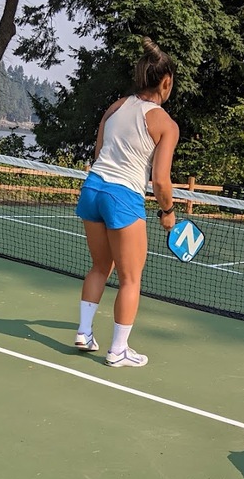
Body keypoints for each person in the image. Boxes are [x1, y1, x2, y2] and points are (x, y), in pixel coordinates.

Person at [73, 38, 180, 367]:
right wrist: (168, 211)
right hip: (123, 197)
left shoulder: (116, 107)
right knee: (131, 279)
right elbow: (160, 180)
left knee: (100, 267)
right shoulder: (166, 124)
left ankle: (84, 332)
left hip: (93, 190)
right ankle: (118, 350)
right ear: (165, 82)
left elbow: (99, 152)